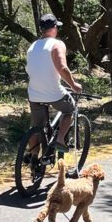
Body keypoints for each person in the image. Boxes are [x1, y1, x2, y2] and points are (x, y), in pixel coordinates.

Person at [26, 13, 82, 152]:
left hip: (34, 94)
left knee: (35, 127)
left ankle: (34, 160)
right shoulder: (57, 44)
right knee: (70, 109)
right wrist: (74, 85)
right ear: (55, 27)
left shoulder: (32, 46)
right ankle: (60, 139)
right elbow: (62, 68)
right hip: (53, 93)